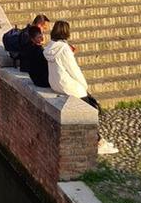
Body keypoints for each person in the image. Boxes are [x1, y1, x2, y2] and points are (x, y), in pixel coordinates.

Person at [43, 20, 118, 156]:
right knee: (89, 108)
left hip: (55, 82)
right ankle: (98, 142)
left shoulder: (50, 46)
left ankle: (99, 140)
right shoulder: (64, 48)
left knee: (88, 105)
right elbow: (73, 69)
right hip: (67, 85)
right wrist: (84, 85)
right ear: (66, 32)